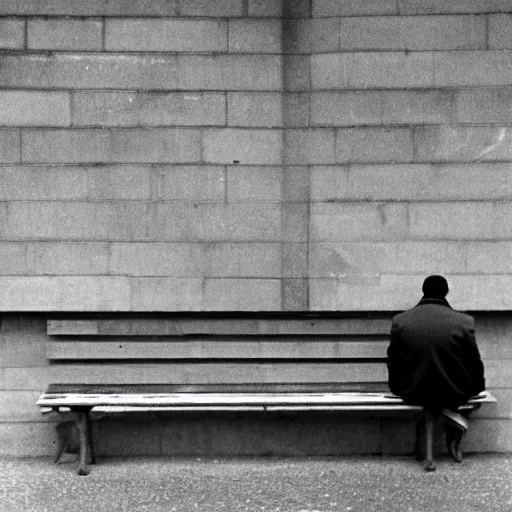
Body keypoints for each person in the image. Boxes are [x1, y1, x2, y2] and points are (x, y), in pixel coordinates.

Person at [387, 275, 485, 463]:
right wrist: (477, 386)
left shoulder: (401, 320)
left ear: (423, 292)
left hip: (413, 390)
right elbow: (473, 360)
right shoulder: (464, 322)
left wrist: (397, 385)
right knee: (447, 384)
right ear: (446, 293)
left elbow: (394, 359)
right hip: (453, 390)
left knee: (427, 388)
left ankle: (430, 424)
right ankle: (451, 417)